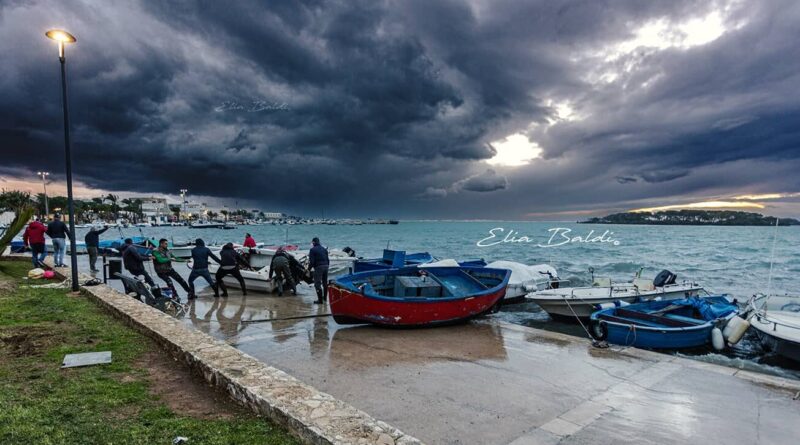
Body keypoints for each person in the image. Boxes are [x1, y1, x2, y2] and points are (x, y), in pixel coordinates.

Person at [308, 237, 329, 304]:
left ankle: (320, 301)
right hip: (326, 266)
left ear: (313, 242)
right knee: (325, 283)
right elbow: (328, 260)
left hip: (319, 267)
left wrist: (308, 269)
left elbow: (312, 262)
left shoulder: (312, 250)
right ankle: (325, 298)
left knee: (317, 284)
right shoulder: (324, 249)